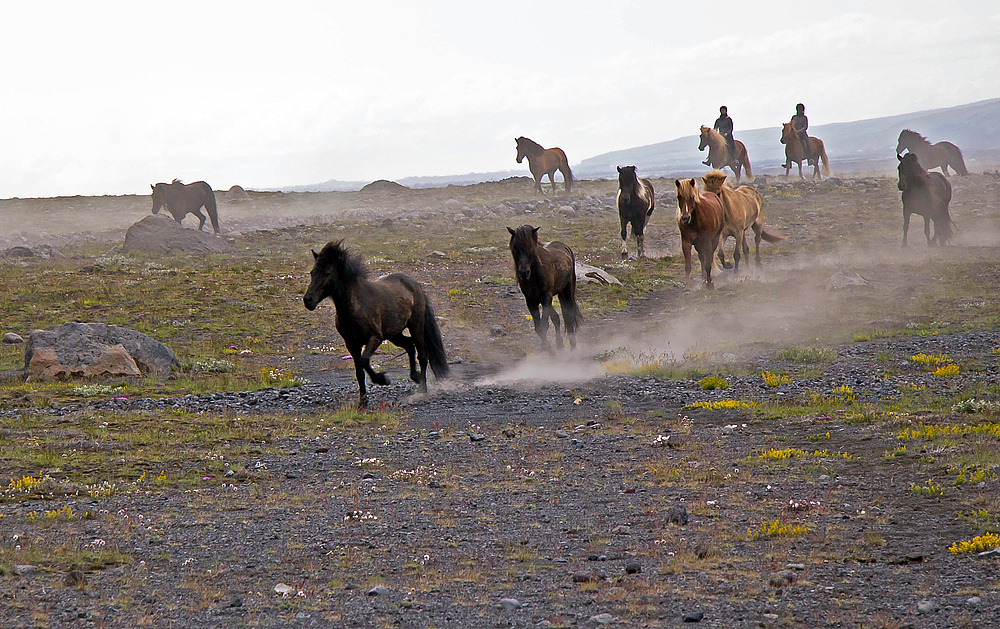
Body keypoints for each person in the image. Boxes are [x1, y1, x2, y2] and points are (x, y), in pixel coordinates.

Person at [785, 103, 812, 168]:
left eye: (800, 109)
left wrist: (798, 131)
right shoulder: (794, 117)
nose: (799, 111)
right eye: (798, 109)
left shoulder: (804, 118)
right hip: (794, 135)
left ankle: (809, 159)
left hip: (802, 134)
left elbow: (805, 127)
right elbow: (790, 125)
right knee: (788, 144)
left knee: (807, 143)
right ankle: (788, 162)